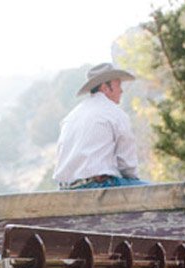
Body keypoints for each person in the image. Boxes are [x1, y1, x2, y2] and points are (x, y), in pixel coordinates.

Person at [53, 62, 147, 190]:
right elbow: (127, 165)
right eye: (118, 85)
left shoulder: (71, 116)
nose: (121, 90)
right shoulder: (114, 113)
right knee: (160, 193)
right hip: (97, 185)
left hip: (66, 189)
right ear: (105, 87)